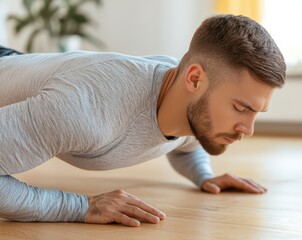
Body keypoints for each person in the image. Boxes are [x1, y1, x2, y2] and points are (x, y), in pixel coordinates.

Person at [0, 14, 286, 227]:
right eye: (240, 108)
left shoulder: (183, 93)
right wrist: (80, 206)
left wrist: (204, 174)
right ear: (194, 78)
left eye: (256, 113)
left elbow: (184, 140)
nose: (248, 130)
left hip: (23, 67)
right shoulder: (84, 109)